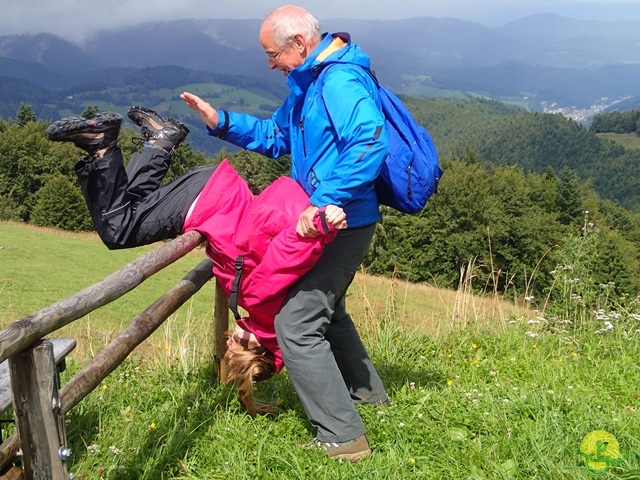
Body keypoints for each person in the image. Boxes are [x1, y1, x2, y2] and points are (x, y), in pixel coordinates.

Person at [181, 4, 389, 462]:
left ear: (299, 43)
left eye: (272, 53)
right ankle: (369, 396)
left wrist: (322, 202)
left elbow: (371, 140)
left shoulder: (338, 80)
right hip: (327, 221)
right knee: (326, 311)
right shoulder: (308, 83)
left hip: (341, 222)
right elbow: (279, 136)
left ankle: (343, 438)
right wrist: (222, 122)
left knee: (294, 325)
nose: (270, 63)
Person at [46, 107, 347, 417]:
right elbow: (282, 260)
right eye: (236, 346)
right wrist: (313, 231)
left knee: (129, 207)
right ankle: (101, 144)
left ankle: (160, 142)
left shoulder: (265, 314)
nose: (231, 339)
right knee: (117, 229)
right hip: (206, 202)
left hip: (219, 189)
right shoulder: (264, 307)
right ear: (257, 348)